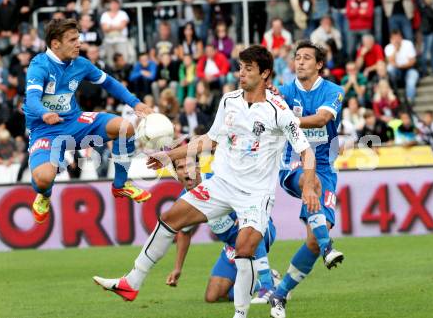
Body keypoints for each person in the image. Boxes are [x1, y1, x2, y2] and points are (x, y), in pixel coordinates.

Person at [93, 45, 318, 318]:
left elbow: (306, 151)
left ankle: (240, 314)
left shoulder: (278, 111)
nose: (241, 73)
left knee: (244, 249)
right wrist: (170, 155)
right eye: (240, 67)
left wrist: (307, 186)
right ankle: (132, 282)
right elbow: (209, 140)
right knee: (169, 218)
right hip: (221, 184)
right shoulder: (228, 101)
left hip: (255, 194)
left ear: (265, 73)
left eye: (248, 69)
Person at [24, 18, 153, 224]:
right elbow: (31, 100)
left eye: (79, 38)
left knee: (124, 128)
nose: (79, 43)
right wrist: (43, 113)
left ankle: (121, 185)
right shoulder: (39, 66)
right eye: (73, 39)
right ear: (56, 44)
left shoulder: (81, 64)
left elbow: (109, 83)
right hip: (45, 129)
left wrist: (135, 103)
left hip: (75, 122)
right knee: (43, 178)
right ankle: (44, 194)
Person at [270, 40, 345, 318]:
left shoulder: (334, 91)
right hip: (292, 163)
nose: (299, 62)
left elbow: (321, 120)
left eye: (306, 58)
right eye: (297, 58)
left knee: (313, 239)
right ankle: (329, 248)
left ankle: (279, 295)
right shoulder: (285, 91)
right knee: (307, 182)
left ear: (319, 64)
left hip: (325, 167)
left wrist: (284, 118)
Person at [165, 156, 279, 304]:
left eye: (190, 165)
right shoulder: (184, 201)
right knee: (213, 296)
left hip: (259, 229)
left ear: (198, 167)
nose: (187, 171)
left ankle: (267, 287)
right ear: (176, 174)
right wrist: (177, 268)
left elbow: (250, 186)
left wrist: (246, 210)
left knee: (250, 230)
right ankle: (272, 281)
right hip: (232, 246)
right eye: (180, 168)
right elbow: (185, 232)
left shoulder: (218, 179)